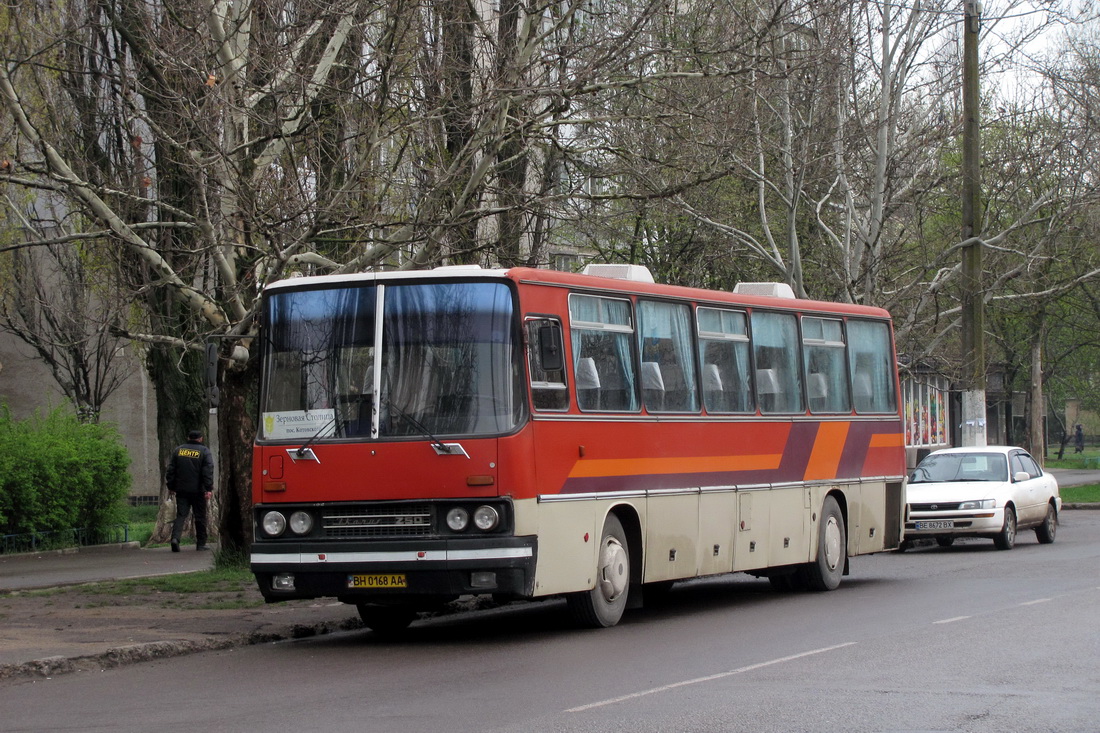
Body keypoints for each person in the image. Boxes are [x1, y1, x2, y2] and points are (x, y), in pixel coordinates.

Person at [166, 429, 214, 552]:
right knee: (200, 517)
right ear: (201, 438)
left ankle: (175, 539)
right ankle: (201, 543)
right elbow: (207, 471)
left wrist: (171, 486)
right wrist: (208, 488)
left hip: (181, 490)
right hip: (198, 490)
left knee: (181, 515)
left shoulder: (178, 450)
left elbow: (171, 469)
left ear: (188, 437)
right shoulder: (204, 451)